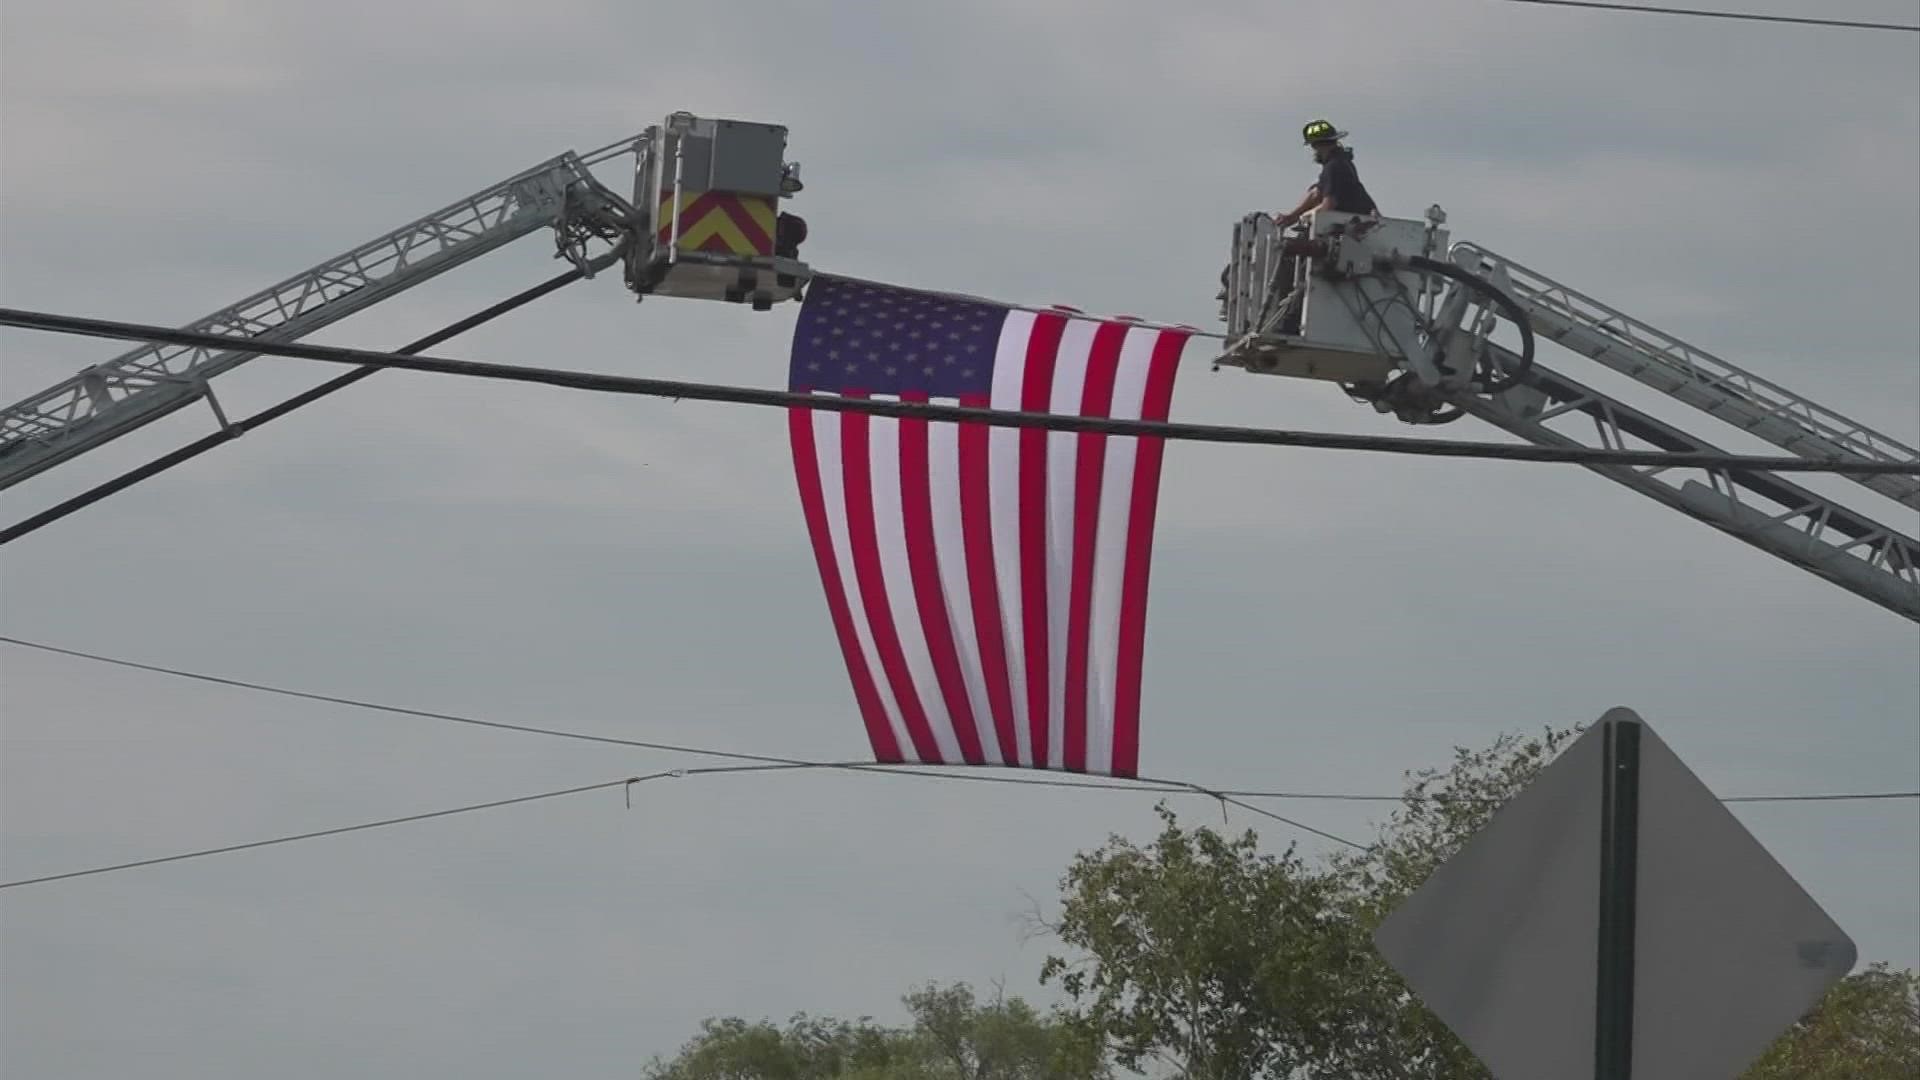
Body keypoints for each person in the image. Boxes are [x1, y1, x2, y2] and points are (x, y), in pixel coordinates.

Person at [1273, 119, 1378, 228]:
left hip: (1354, 225)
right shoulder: (1342, 163)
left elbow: (1328, 206)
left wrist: (1307, 220)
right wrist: (1292, 217)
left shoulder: (1333, 167)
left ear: (1316, 145)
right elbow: (1316, 193)